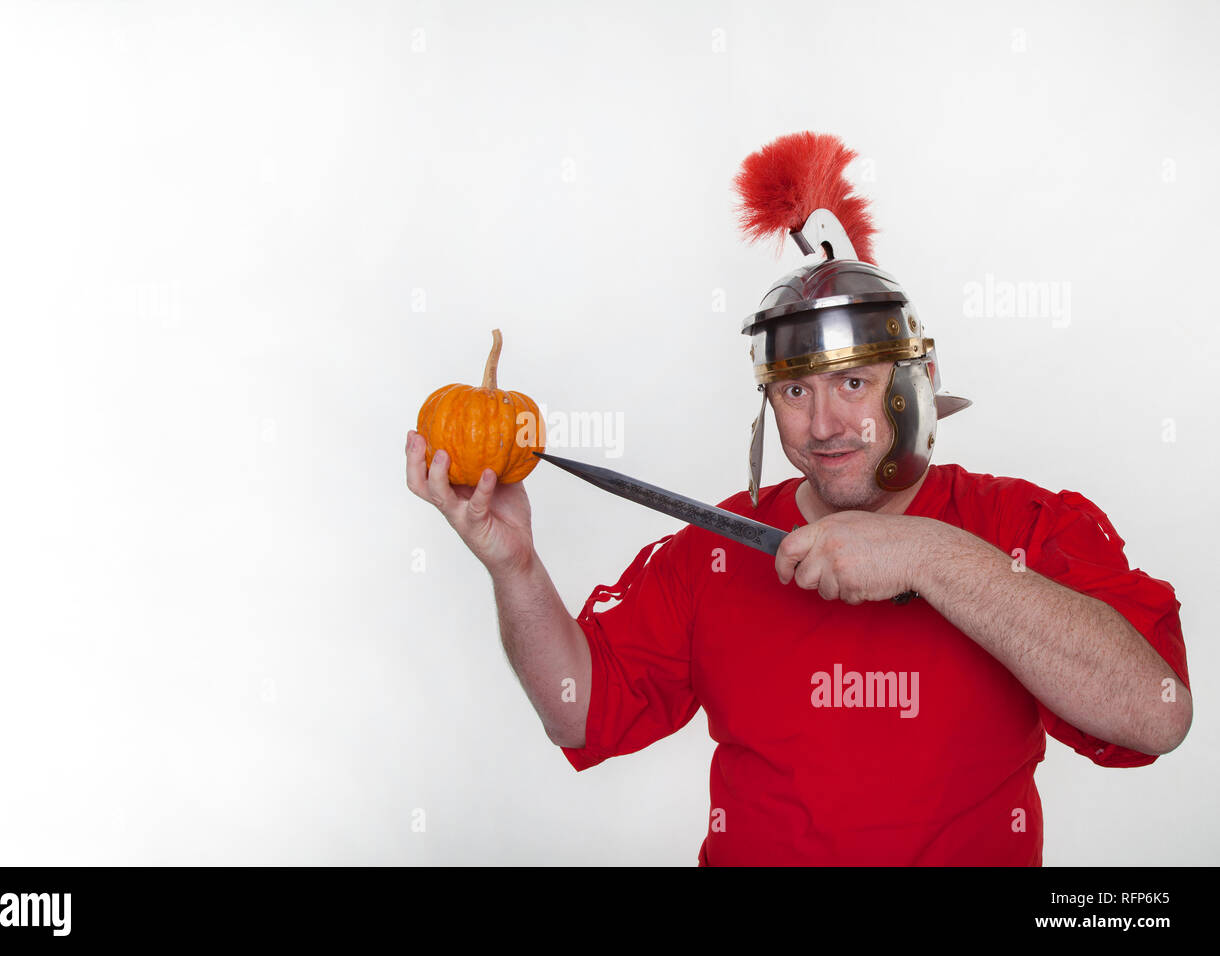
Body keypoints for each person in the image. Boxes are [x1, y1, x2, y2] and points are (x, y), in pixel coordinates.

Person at [403, 132, 1191, 865]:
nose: (824, 425)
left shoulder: (1026, 525)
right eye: (794, 392)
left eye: (854, 383)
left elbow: (1157, 715)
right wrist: (515, 568)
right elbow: (578, 711)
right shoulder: (713, 551)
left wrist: (933, 555)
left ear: (914, 386)